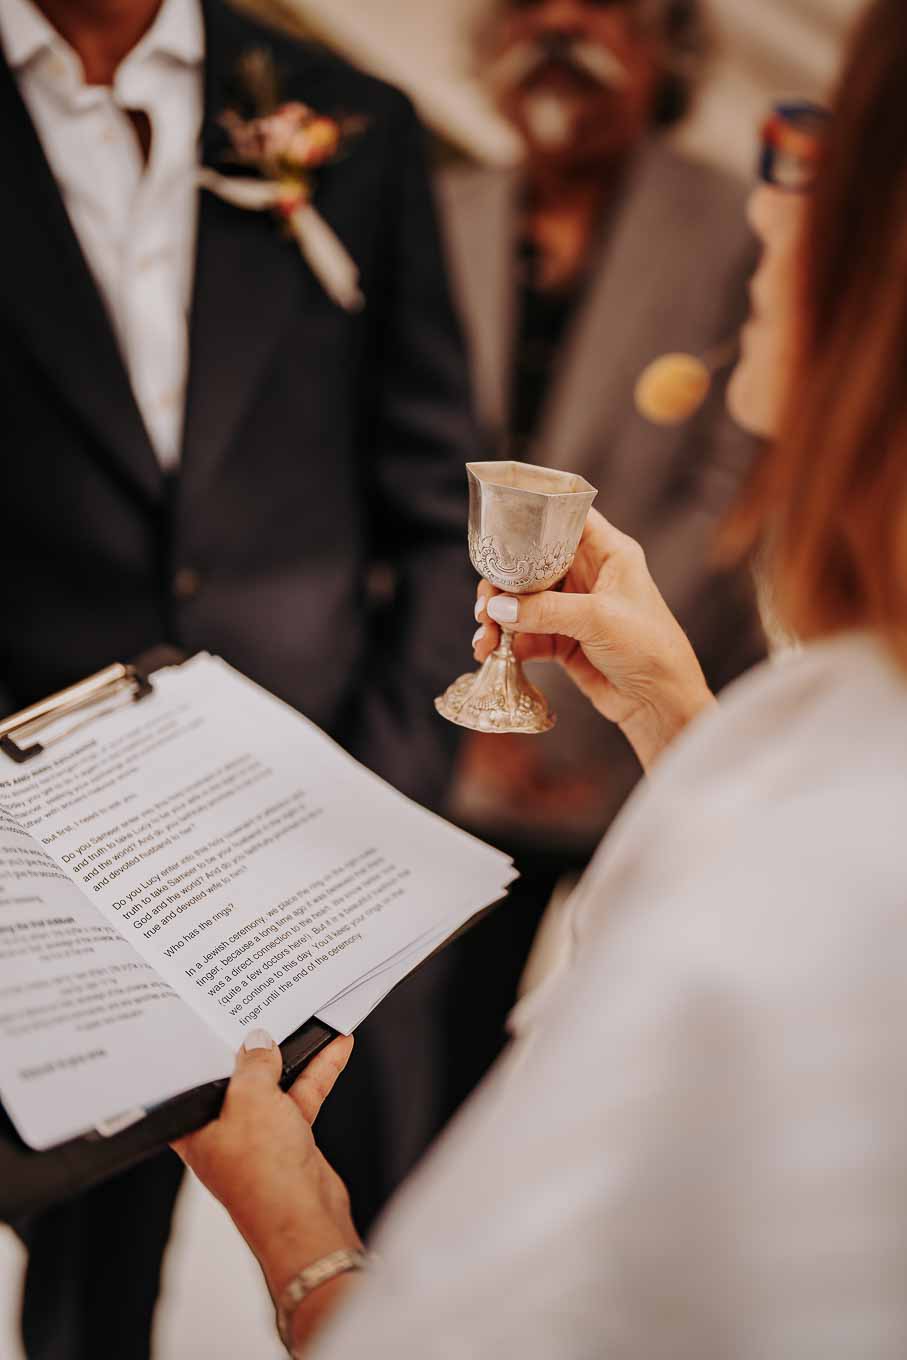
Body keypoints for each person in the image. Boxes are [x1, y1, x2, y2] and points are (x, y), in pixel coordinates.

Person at [174, 0, 907, 1353]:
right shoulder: (824, 724)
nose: (773, 199)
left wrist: (292, 1220)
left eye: (816, 153)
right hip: (459, 743)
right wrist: (674, 719)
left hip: (568, 787)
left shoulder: (806, 913)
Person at [0, 0, 477, 1353]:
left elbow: (434, 486)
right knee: (85, 1289)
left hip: (322, 822)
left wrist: (392, 787)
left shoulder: (352, 117)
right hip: (46, 848)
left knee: (397, 1232)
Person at [437, 0, 765, 1110]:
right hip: (456, 755)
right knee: (423, 1073)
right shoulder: (443, 214)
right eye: (529, 3)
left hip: (643, 749)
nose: (562, 21)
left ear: (665, 47)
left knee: (616, 1073)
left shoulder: (738, 227)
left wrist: (555, 711)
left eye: (607, 5)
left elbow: (734, 497)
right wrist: (474, 714)